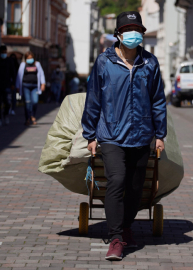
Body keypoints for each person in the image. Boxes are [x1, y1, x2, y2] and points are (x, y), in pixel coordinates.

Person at [82, 11, 167, 261]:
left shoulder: (150, 63)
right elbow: (93, 99)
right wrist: (90, 135)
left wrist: (160, 134)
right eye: (128, 29)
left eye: (137, 29)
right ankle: (116, 237)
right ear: (118, 34)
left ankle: (127, 226)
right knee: (117, 180)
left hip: (141, 136)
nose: (133, 33)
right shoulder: (104, 62)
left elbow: (158, 100)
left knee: (135, 188)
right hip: (110, 136)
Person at [16, 51, 46, 126]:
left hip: (35, 86)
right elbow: (19, 75)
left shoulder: (37, 64)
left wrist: (43, 84)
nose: (30, 59)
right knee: (27, 102)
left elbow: (41, 74)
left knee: (35, 101)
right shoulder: (23, 65)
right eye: (28, 58)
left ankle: (33, 115)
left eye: (31, 58)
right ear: (25, 59)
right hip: (25, 85)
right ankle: (27, 118)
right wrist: (17, 86)